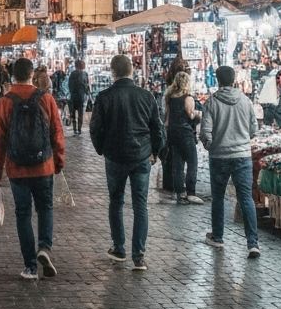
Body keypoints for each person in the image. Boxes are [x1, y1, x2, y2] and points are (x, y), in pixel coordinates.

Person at [0, 57, 66, 280]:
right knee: (45, 208)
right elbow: (57, 133)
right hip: (44, 166)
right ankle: (44, 247)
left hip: (17, 168)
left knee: (23, 214)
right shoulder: (46, 99)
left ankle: (30, 266)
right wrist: (59, 161)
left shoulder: (5, 102)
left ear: (12, 75)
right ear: (32, 74)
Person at [89, 53, 164, 271]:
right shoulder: (146, 96)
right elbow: (157, 127)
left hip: (115, 156)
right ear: (132, 71)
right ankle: (139, 255)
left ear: (113, 72)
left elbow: (95, 128)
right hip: (141, 155)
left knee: (116, 201)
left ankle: (119, 247)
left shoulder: (104, 97)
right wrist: (155, 151)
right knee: (140, 204)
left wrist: (102, 149)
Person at [200, 65, 260, 258]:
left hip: (219, 157)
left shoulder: (212, 102)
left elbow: (205, 132)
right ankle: (253, 243)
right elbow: (254, 130)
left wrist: (211, 145)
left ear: (218, 80)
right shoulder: (246, 101)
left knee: (218, 197)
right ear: (234, 80)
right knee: (246, 198)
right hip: (242, 156)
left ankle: (218, 237)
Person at [164, 71, 203, 205]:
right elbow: (191, 115)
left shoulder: (170, 97)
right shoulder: (188, 98)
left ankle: (180, 193)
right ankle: (191, 192)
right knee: (192, 162)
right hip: (185, 133)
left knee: (178, 165)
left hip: (173, 133)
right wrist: (199, 113)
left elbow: (167, 119)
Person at [68, 60, 90, 135]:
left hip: (73, 96)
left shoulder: (72, 74)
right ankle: (79, 129)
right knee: (80, 114)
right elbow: (86, 85)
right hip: (81, 96)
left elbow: (70, 85)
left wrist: (72, 92)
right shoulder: (85, 74)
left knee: (73, 113)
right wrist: (87, 93)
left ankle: (75, 129)